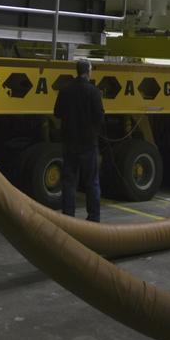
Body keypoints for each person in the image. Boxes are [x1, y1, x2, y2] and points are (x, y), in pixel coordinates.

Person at [53, 58, 104, 222]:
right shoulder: (94, 92)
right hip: (88, 144)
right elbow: (99, 117)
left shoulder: (65, 90)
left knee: (69, 182)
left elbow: (57, 113)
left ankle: (69, 217)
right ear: (88, 71)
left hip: (70, 142)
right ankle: (94, 218)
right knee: (92, 182)